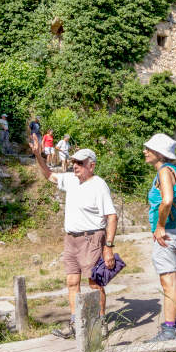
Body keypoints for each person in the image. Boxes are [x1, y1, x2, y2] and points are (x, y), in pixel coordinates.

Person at [29, 135, 117, 339]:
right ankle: (76, 323)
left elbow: (112, 216)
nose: (75, 165)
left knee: (95, 283)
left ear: (91, 166)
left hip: (92, 238)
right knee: (71, 281)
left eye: (80, 163)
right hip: (71, 239)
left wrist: (109, 246)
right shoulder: (70, 180)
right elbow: (49, 175)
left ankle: (100, 322)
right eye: (74, 162)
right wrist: (38, 156)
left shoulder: (99, 185)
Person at [143, 133, 176, 341]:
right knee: (175, 278)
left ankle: (169, 330)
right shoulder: (174, 170)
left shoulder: (163, 171)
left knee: (168, 281)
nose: (145, 151)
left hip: (166, 232)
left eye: (148, 149)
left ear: (159, 153)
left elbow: (167, 201)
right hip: (174, 230)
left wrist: (159, 225)